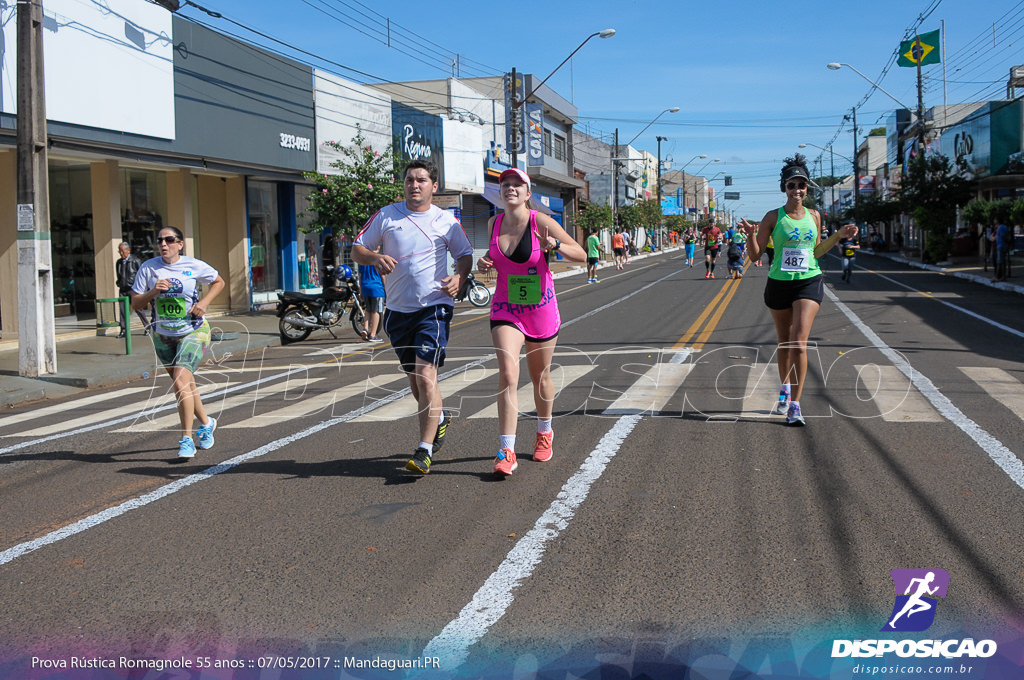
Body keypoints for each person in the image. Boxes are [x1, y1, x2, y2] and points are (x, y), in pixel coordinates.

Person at [352, 159, 473, 475]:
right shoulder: (387, 215)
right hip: (396, 312)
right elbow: (357, 248)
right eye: (409, 180)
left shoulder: (445, 221)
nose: (414, 185)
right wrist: (375, 256)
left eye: (421, 180)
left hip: (433, 307)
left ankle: (424, 450)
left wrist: (460, 278)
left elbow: (464, 255)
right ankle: (440, 417)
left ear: (434, 186)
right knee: (417, 383)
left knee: (424, 374)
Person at [476, 168, 586, 476]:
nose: (510, 189)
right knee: (509, 374)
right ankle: (506, 450)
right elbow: (496, 257)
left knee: (540, 377)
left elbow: (580, 254)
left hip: (539, 309)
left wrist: (556, 247)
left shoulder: (541, 221)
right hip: (506, 308)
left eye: (516, 185)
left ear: (527, 193)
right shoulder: (492, 224)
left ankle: (544, 431)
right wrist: (485, 261)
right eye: (505, 185)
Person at [740, 154, 858, 426]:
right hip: (779, 282)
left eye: (801, 185)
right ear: (784, 188)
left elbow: (817, 251)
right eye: (792, 185)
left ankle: (795, 404)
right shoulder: (773, 217)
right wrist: (749, 234)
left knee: (798, 341)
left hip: (809, 279)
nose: (797, 190)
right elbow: (757, 253)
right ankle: (784, 387)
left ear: (807, 188)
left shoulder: (815, 216)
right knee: (784, 342)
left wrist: (838, 237)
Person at [131, 227, 225, 458]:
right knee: (186, 384)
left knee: (181, 381)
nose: (164, 244)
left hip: (193, 330)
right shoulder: (148, 268)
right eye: (160, 240)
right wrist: (153, 291)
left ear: (180, 244)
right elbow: (135, 303)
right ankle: (206, 422)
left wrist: (204, 303)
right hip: (163, 334)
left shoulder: (193, 265)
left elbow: (219, 282)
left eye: (169, 240)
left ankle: (186, 439)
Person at [115, 242, 149, 338]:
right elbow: (119, 274)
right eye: (119, 251)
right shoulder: (119, 262)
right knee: (122, 310)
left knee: (138, 308)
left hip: (132, 288)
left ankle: (147, 326)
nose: (121, 253)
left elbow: (141, 274)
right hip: (123, 289)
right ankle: (123, 330)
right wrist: (119, 282)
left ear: (128, 250)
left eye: (122, 251)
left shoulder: (135, 261)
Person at [357, 261, 386, 342]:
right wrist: (385, 289)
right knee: (376, 311)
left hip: (365, 287)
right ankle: (373, 335)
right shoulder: (379, 261)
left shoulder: (363, 261)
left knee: (368, 310)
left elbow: (360, 276)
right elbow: (382, 276)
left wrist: (361, 290)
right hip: (377, 288)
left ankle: (365, 328)